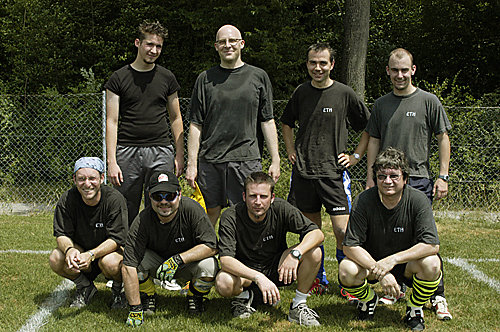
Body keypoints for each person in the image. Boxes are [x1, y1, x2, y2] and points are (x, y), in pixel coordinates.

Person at [365, 48, 452, 319]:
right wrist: (371, 177)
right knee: (390, 233)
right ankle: (398, 286)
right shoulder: (381, 104)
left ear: (413, 70)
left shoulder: (429, 101)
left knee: (424, 238)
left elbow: (442, 138)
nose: (400, 75)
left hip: (419, 179)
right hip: (386, 180)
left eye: (405, 70)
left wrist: (443, 175)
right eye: (395, 70)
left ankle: (437, 294)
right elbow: (374, 141)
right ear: (388, 71)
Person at [281, 42, 370, 296]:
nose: (317, 68)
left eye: (322, 63)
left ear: (331, 65)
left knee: (343, 231)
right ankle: (317, 279)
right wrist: (290, 150)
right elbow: (286, 123)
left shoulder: (344, 93)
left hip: (333, 175)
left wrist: (355, 156)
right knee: (311, 233)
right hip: (304, 174)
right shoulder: (301, 92)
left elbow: (369, 127)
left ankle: (348, 281)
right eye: (312, 62)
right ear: (307, 64)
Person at [186, 24, 281, 227]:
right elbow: (195, 125)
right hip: (210, 160)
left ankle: (244, 257)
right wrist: (192, 165)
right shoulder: (204, 79)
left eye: (232, 41)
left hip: (246, 160)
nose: (227, 45)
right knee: (208, 214)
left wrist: (276, 159)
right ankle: (204, 255)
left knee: (247, 214)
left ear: (242, 44)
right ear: (216, 46)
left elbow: (267, 120)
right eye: (222, 42)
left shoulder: (258, 77)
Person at [339, 147, 443, 331]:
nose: (388, 181)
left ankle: (414, 307)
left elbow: (431, 244)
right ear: (376, 178)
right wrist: (382, 272)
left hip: (407, 264)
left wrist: (393, 260)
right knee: (346, 269)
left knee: (432, 264)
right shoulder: (363, 200)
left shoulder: (418, 200)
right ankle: (368, 300)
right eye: (381, 176)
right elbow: (349, 246)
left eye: (394, 176)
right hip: (373, 263)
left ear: (405, 178)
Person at [216, 172, 324, 326]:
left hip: (278, 268)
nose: (258, 202)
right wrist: (258, 278)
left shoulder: (281, 207)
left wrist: (295, 254)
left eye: (263, 196)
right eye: (253, 196)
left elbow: (317, 233)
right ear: (244, 196)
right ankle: (247, 296)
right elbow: (226, 261)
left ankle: (298, 305)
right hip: (246, 273)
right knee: (223, 282)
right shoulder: (230, 216)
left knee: (314, 252)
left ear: (272, 198)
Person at [105, 20, 184, 226]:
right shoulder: (118, 78)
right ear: (137, 43)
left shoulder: (167, 78)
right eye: (149, 44)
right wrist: (112, 161)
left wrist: (180, 154)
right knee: (124, 208)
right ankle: (123, 253)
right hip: (126, 151)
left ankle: (155, 252)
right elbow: (112, 121)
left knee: (161, 205)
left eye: (158, 46)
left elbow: (176, 118)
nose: (154, 50)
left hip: (161, 151)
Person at [122, 171, 218, 327]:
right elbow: (128, 265)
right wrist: (135, 308)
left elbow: (212, 245)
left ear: (179, 195)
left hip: (187, 263)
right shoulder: (142, 220)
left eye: (170, 196)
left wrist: (178, 259)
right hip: (157, 263)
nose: (164, 201)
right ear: (150, 198)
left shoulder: (192, 209)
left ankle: (195, 296)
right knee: (134, 263)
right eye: (158, 196)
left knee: (210, 266)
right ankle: (148, 296)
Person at [49, 157, 128, 309]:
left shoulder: (114, 200)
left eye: (92, 178)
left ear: (102, 178)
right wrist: (70, 250)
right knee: (56, 258)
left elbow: (117, 239)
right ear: (74, 179)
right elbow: (62, 234)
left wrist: (91, 254)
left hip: (108, 252)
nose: (87, 184)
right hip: (82, 250)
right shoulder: (67, 199)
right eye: (81, 179)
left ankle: (119, 290)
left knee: (110, 262)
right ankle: (85, 286)